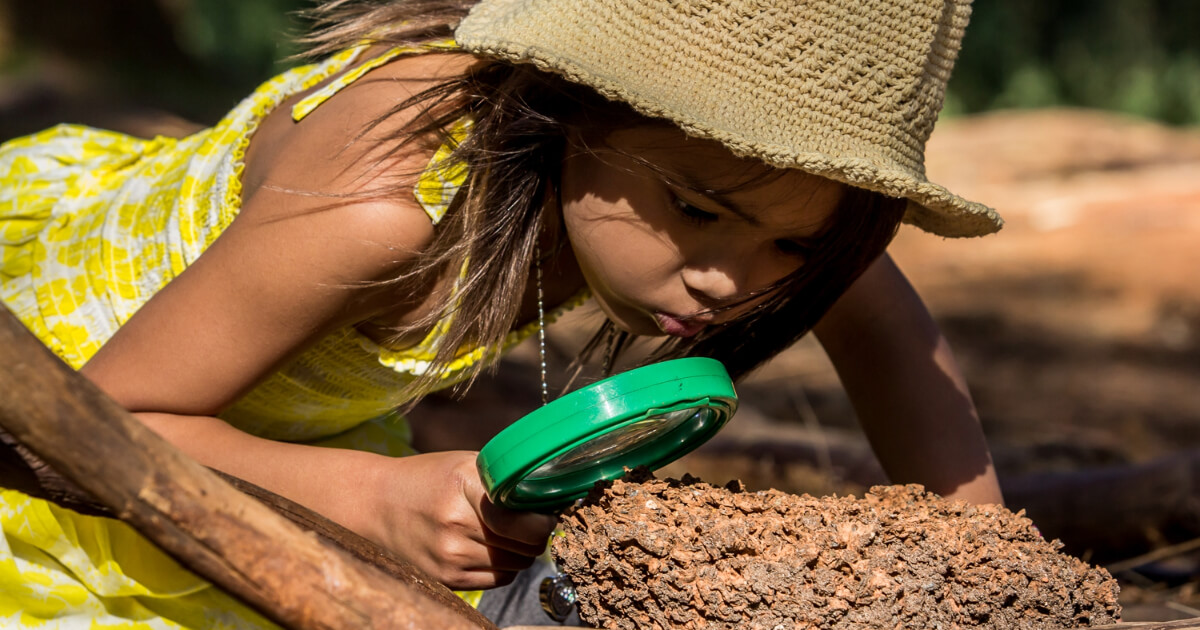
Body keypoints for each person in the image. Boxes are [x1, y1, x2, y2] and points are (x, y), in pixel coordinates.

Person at [0, 0, 1005, 626]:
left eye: (791, 247)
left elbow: (883, 323)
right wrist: (369, 502)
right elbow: (91, 428)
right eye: (698, 214)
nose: (732, 281)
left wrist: (986, 568)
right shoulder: (378, 216)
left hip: (260, 425)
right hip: (80, 411)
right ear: (573, 104)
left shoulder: (742, 189)